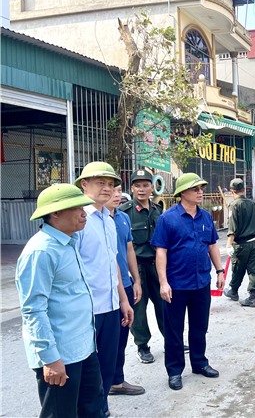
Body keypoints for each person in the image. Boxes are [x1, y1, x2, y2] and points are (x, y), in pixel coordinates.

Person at [16, 184, 104, 418]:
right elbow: (34, 310)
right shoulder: (41, 251)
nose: (84, 213)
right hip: (60, 354)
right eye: (77, 208)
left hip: (84, 347)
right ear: (55, 213)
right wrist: (51, 359)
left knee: (93, 410)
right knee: (60, 414)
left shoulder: (68, 242)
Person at [152, 173, 225, 391]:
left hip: (201, 282)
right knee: (174, 330)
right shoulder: (168, 219)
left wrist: (219, 270)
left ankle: (199, 363)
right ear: (182, 193)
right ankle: (174, 371)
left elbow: (212, 245)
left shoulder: (205, 217)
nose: (200, 192)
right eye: (195, 189)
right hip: (176, 285)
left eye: (201, 188)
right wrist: (163, 282)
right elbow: (161, 251)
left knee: (199, 327)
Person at [75, 161, 134, 416]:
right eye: (100, 183)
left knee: (108, 367)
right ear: (84, 185)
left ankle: (103, 410)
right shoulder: (78, 220)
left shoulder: (109, 220)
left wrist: (123, 300)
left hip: (111, 306)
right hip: (88, 310)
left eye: (111, 184)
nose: (107, 189)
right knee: (87, 373)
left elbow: (113, 264)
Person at [119, 169, 165, 364]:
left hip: (156, 265)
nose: (142, 189)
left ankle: (171, 339)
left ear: (152, 188)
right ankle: (143, 345)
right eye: (138, 185)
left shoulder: (157, 210)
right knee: (138, 308)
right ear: (132, 188)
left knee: (165, 304)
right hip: (136, 267)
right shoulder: (124, 213)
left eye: (146, 185)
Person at [105, 185, 145, 396]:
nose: (116, 194)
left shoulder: (123, 218)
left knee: (121, 337)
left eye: (119, 190)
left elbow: (129, 249)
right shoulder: (90, 220)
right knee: (104, 341)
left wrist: (136, 280)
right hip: (103, 290)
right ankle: (100, 389)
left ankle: (116, 381)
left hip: (125, 286)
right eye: (112, 190)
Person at [223, 178, 255, 307]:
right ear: (243, 190)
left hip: (241, 244)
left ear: (232, 190)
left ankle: (234, 291)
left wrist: (229, 245)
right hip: (254, 242)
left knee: (238, 268)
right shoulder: (252, 203)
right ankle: (253, 297)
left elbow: (232, 228)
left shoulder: (234, 205)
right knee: (254, 270)